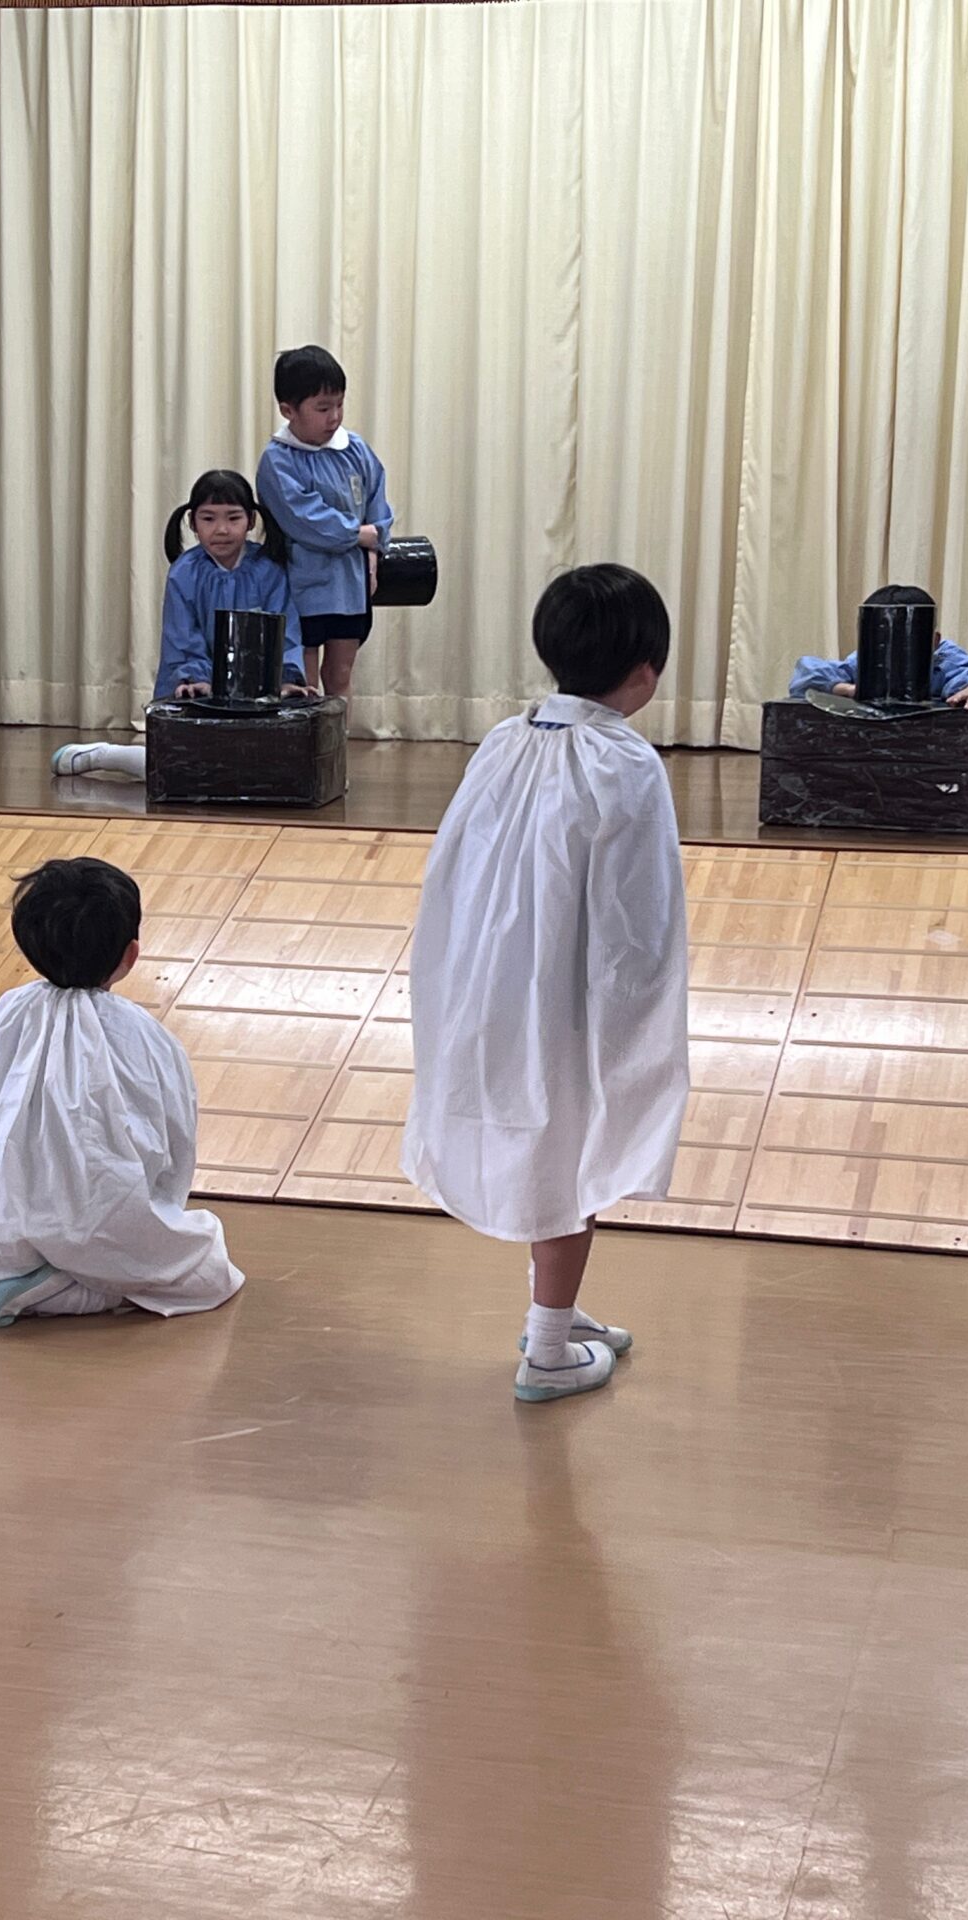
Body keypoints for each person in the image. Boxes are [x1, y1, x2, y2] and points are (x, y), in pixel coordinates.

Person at [401, 564, 689, 1403]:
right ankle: (549, 1351)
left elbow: (458, 866)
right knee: (570, 1157)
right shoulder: (625, 760)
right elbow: (639, 908)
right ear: (646, 671)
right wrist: (640, 1010)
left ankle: (553, 1314)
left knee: (548, 1144)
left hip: (489, 980)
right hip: (570, 995)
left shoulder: (505, 739)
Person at [0, 857, 243, 1323]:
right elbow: (170, 1134)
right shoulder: (144, 1035)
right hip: (96, 1220)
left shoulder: (11, 1011)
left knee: (21, 1212)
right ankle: (62, 1285)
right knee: (206, 1269)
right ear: (131, 955)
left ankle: (22, 1277)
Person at [53, 471, 306, 782]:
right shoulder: (184, 573)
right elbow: (182, 638)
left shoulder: (271, 570)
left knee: (255, 770)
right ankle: (104, 756)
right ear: (192, 523)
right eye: (208, 518)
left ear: (251, 521)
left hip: (258, 696)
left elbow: (286, 633)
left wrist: (284, 679)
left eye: (233, 518)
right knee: (186, 767)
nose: (222, 529)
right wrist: (197, 680)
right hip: (199, 691)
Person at [788, 588, 968, 815]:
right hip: (885, 761)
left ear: (933, 641)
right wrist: (849, 689)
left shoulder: (944, 658)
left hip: (944, 763)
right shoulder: (863, 661)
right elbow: (806, 674)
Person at [256, 345, 393, 703]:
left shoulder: (356, 449)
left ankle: (337, 740)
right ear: (288, 410)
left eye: (339, 405)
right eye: (322, 408)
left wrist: (375, 547)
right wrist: (357, 534)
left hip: (349, 587)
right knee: (303, 678)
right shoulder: (278, 460)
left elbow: (378, 506)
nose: (334, 417)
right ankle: (306, 739)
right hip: (300, 586)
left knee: (340, 674)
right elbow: (305, 518)